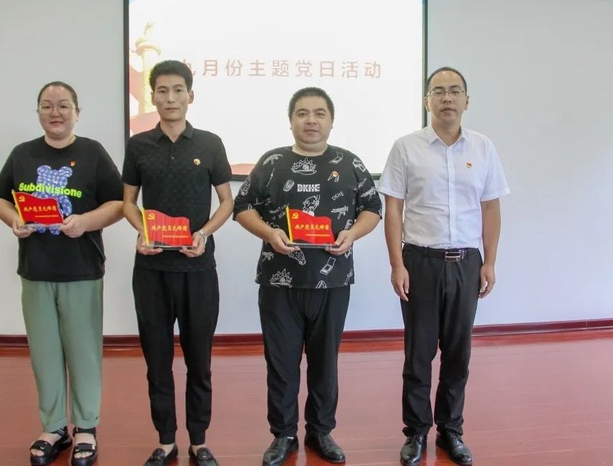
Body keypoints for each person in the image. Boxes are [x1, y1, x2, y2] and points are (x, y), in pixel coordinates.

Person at [233, 87, 382, 466]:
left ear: (331, 120)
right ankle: (283, 434)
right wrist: (269, 233)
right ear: (291, 121)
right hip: (278, 282)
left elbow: (372, 208)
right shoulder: (272, 162)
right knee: (281, 362)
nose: (310, 120)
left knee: (324, 361)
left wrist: (353, 234)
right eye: (302, 113)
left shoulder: (349, 163)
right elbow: (242, 206)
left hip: (332, 282)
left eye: (319, 113)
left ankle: (321, 431)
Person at [379, 67, 510, 466]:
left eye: (455, 91)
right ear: (427, 101)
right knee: (418, 353)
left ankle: (451, 430)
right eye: (439, 91)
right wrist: (397, 264)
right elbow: (393, 209)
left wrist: (490, 261)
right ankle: (416, 432)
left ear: (467, 100)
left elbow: (491, 208)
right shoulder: (406, 147)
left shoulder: (483, 148)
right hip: (420, 262)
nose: (447, 98)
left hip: (467, 263)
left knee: (457, 353)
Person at [0, 81, 124, 466]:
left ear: (77, 112)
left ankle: (86, 427)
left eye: (64, 105)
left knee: (83, 352)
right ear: (38, 112)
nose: (55, 112)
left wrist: (85, 222)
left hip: (81, 269)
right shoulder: (23, 154)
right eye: (47, 106)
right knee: (45, 353)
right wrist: (14, 220)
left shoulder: (92, 153)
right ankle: (54, 428)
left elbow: (119, 204)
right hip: (36, 269)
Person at [122, 60, 233, 466]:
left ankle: (199, 441)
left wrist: (204, 234)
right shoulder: (138, 146)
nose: (170, 98)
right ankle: (166, 440)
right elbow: (128, 202)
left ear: (190, 95)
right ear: (153, 96)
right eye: (162, 90)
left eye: (178, 90)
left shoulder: (209, 144)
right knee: (157, 362)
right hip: (152, 271)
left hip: (198, 270)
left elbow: (227, 202)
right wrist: (141, 232)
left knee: (199, 361)